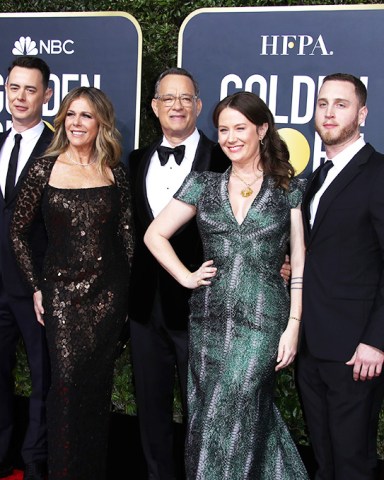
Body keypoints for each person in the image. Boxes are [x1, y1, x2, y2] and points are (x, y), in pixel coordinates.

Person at [128, 67, 293, 479]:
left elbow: (281, 238)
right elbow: (142, 233)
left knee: (226, 409)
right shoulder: (138, 161)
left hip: (238, 314)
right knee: (170, 413)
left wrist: (284, 276)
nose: (177, 106)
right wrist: (182, 275)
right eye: (168, 98)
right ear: (155, 107)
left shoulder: (239, 161)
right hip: (164, 309)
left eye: (186, 98)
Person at [10, 86, 135, 480]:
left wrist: (127, 296)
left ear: (101, 123)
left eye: (87, 116)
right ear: (62, 119)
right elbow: (17, 232)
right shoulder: (43, 168)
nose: (77, 123)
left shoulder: (115, 170)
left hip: (108, 297)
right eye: (71, 114)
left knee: (95, 393)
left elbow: (128, 236)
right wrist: (36, 286)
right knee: (64, 389)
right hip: (61, 296)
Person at [297, 73, 384, 480]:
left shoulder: (378, 173)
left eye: (341, 104)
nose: (329, 113)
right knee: (325, 458)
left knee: (352, 461)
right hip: (313, 343)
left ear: (362, 114)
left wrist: (375, 341)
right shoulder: (317, 175)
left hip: (355, 350)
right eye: (322, 103)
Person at [0, 56, 53, 480]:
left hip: (37, 288)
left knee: (43, 380)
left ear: (46, 95)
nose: (20, 97)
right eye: (13, 87)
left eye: (29, 89)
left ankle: (35, 462)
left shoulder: (59, 150)